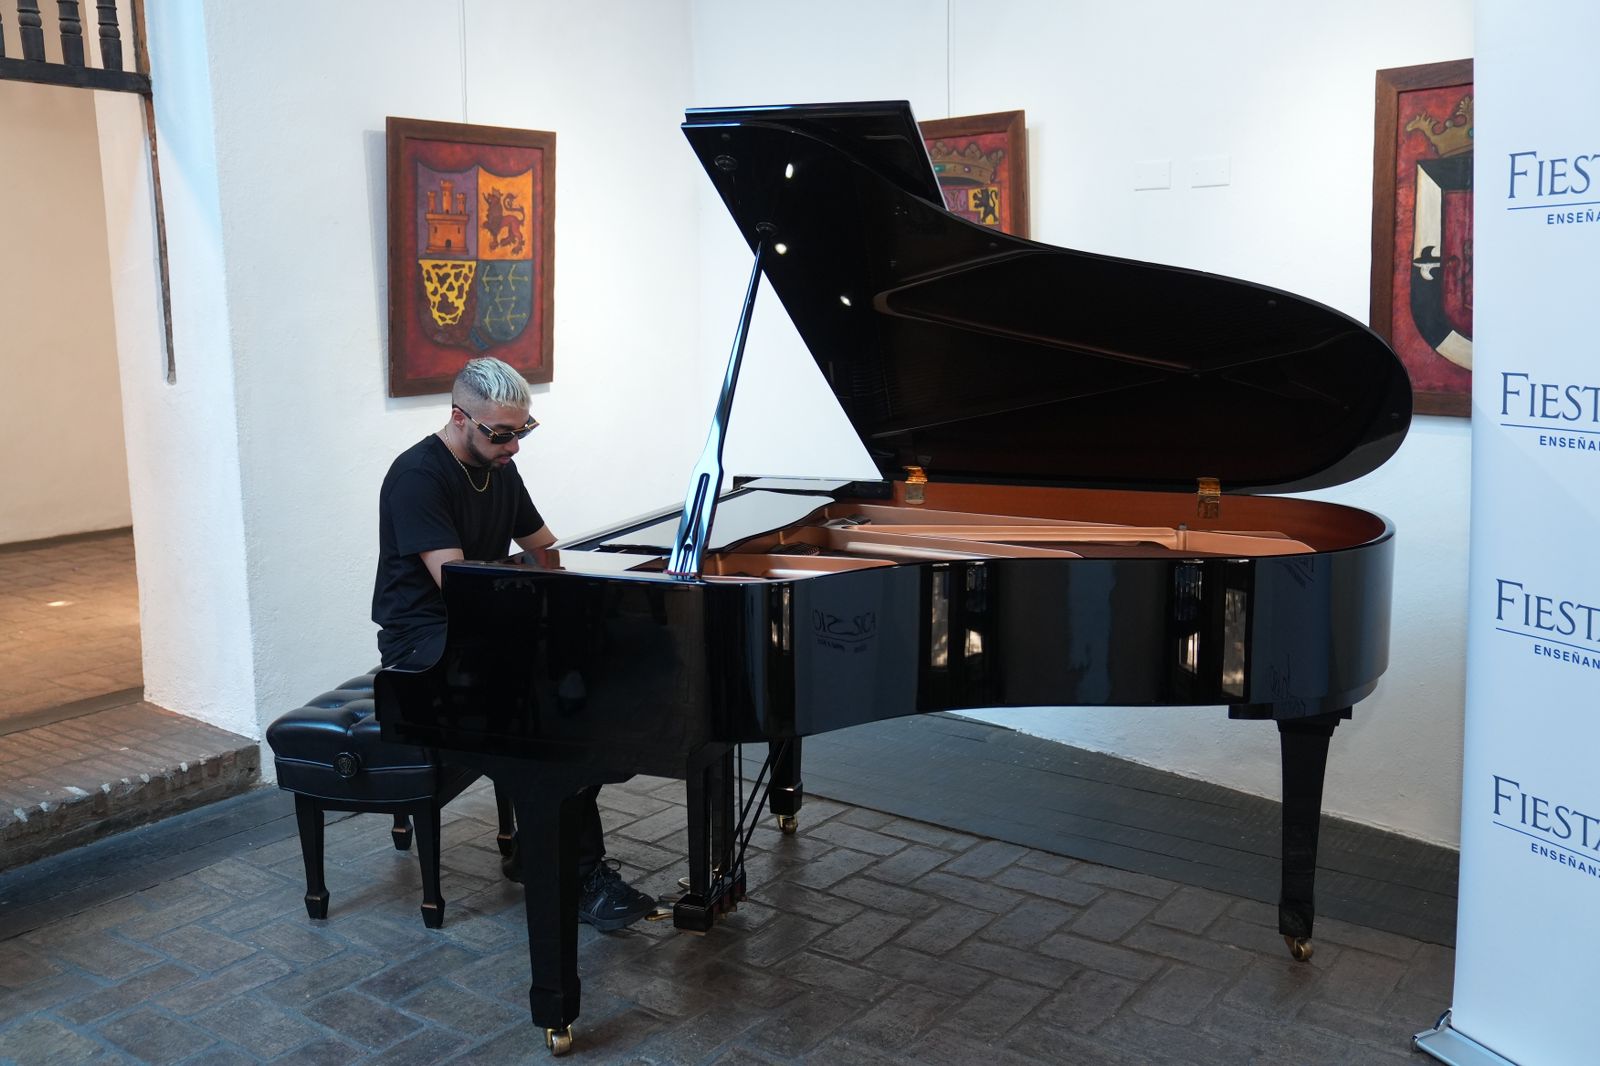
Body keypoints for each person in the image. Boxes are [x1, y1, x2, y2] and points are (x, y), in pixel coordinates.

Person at [372, 356, 654, 931]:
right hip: (423, 639)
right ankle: (576, 874)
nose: (515, 446)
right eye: (502, 434)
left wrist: (600, 598)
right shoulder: (418, 477)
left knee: (594, 679)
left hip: (481, 622)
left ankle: (543, 846)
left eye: (523, 430)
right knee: (554, 709)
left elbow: (547, 550)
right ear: (459, 418)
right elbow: (459, 587)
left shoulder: (498, 465)